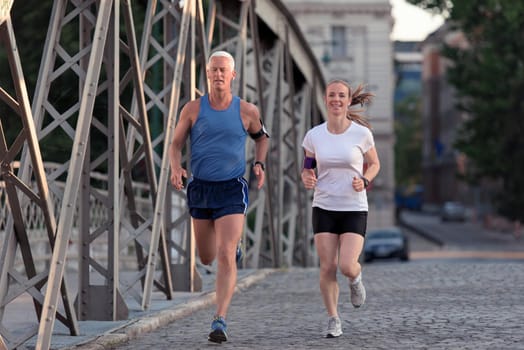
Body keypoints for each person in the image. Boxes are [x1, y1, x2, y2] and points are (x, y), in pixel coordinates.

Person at [169, 50, 269, 343]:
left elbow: (262, 138)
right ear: (208, 75)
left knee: (225, 255)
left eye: (223, 70)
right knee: (207, 255)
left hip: (232, 188)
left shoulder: (246, 111)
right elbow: (175, 145)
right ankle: (231, 250)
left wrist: (259, 163)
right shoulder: (192, 109)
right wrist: (176, 168)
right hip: (200, 188)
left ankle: (220, 319)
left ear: (233, 75)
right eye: (213, 70)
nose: (218, 74)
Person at [301, 79, 380, 338]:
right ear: (326, 99)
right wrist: (307, 176)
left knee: (347, 265)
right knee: (327, 267)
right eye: (331, 95)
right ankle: (333, 318)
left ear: (348, 101)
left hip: (354, 207)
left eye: (341, 95)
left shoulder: (361, 134)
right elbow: (308, 165)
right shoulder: (314, 136)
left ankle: (355, 279)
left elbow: (374, 164)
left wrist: (365, 180)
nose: (336, 99)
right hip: (324, 205)